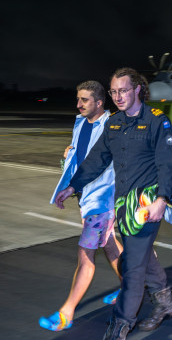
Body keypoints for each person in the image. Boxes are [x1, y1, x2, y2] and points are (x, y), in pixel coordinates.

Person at [54, 68, 172, 340]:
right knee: (142, 257)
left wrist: (162, 200)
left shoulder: (158, 121)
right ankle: (165, 302)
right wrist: (72, 186)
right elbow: (96, 160)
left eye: (123, 90)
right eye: (113, 91)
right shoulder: (114, 124)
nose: (118, 96)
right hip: (123, 206)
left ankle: (120, 325)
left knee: (132, 264)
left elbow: (168, 165)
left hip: (148, 205)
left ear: (137, 90)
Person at [39, 81, 123, 332]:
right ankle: (132, 286)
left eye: (84, 100)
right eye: (78, 99)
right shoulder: (79, 123)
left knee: (86, 256)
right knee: (109, 245)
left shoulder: (113, 125)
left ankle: (67, 312)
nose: (78, 104)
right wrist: (67, 167)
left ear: (99, 102)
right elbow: (79, 156)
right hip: (86, 196)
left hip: (103, 199)